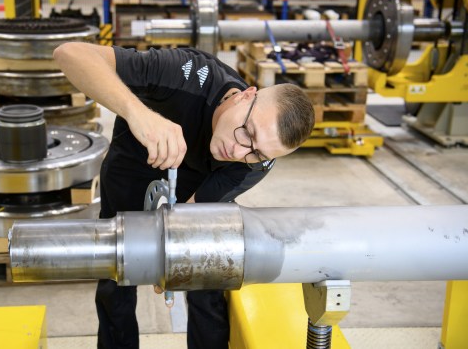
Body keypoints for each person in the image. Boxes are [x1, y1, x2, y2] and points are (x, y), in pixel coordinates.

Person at [53, 42, 315, 349]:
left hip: (196, 183)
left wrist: (167, 258)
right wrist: (139, 113)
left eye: (256, 152)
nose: (238, 150)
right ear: (247, 94)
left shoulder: (255, 163)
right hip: (132, 166)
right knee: (115, 273)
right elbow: (69, 54)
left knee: (207, 273)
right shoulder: (186, 74)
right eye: (247, 131)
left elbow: (191, 215)